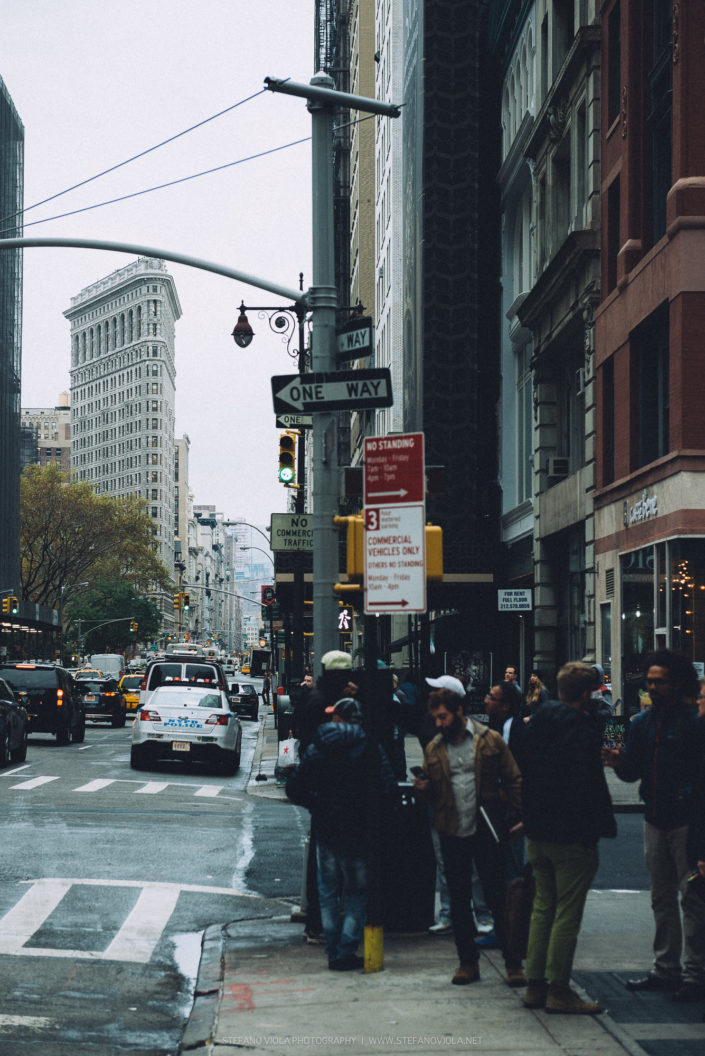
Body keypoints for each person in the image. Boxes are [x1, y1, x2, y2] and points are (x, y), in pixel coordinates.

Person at [603, 649, 705, 1001]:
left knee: (692, 899)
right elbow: (632, 774)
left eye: (659, 682)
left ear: (677, 684)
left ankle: (695, 974)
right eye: (649, 681)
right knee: (661, 898)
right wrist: (618, 763)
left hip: (686, 822)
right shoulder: (641, 724)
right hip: (655, 818)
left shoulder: (694, 722)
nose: (653, 687)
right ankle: (666, 969)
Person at [413, 676, 525, 988]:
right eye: (435, 717)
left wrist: (518, 815)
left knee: (496, 897)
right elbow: (430, 792)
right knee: (460, 900)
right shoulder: (435, 748)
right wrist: (422, 788)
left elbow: (514, 778)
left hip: (486, 829)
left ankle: (513, 964)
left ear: (459, 711)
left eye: (443, 717)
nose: (438, 723)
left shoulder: (489, 740)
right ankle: (468, 963)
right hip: (452, 831)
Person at [521, 661, 616, 1015]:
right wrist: (591, 830)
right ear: (587, 693)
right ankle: (559, 988)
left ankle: (535, 985)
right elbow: (585, 783)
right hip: (571, 832)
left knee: (543, 906)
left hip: (539, 830)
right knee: (567, 912)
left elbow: (524, 773)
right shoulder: (581, 727)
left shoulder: (537, 722)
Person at [285, 696, 397, 971]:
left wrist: (317, 804)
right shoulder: (369, 746)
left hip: (326, 829)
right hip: (358, 831)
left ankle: (333, 950)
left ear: (337, 718)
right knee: (357, 892)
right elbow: (388, 789)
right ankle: (346, 948)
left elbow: (294, 787)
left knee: (328, 892)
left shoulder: (319, 745)